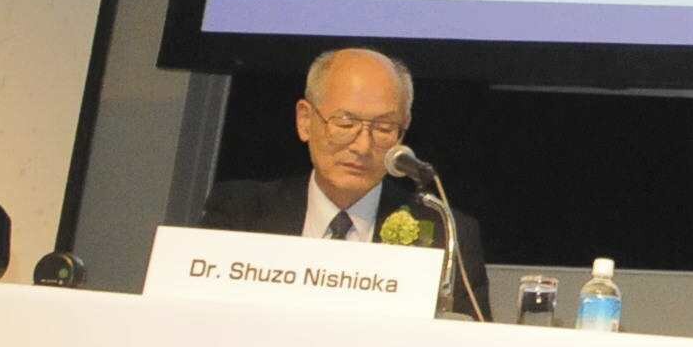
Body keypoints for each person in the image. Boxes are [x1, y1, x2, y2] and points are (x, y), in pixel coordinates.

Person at [198, 45, 493, 320]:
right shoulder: (241, 214)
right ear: (305, 120)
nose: (362, 146)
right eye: (345, 123)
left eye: (383, 128)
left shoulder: (446, 232)